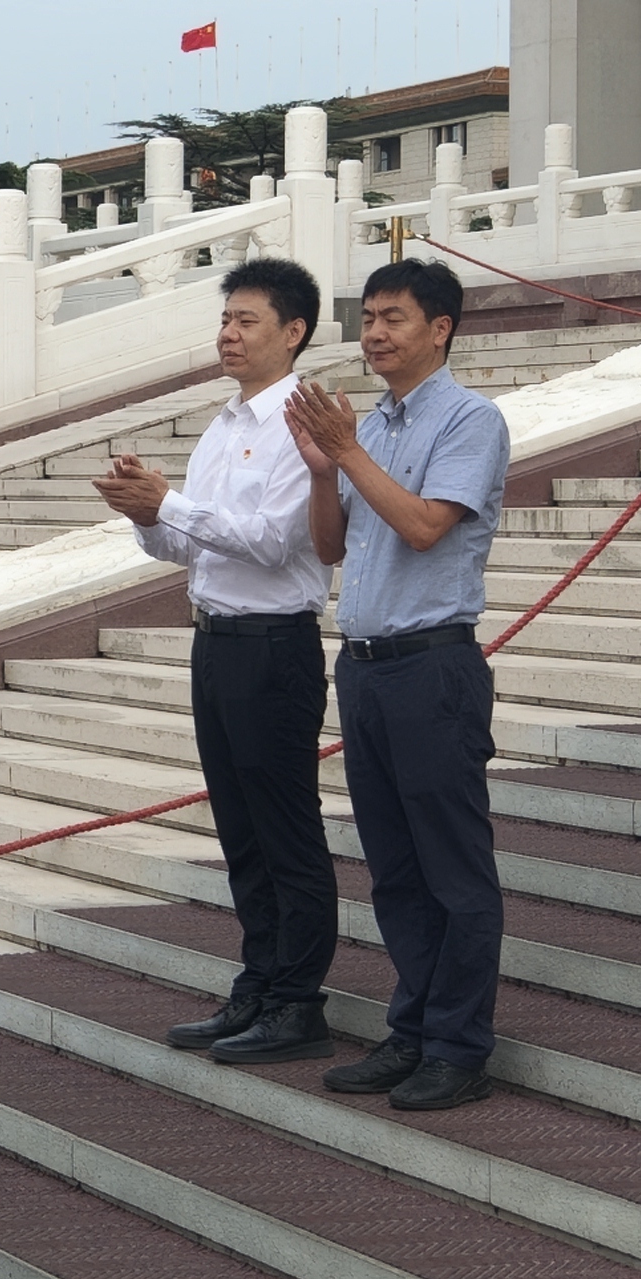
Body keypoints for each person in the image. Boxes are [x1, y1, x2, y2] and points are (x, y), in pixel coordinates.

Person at [95, 259, 337, 1061]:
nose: (228, 335)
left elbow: (274, 543)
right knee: (240, 828)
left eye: (246, 321)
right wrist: (145, 511)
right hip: (217, 641)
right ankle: (258, 984)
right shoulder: (225, 425)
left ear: (293, 332)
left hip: (275, 644)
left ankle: (297, 1001)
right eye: (225, 320)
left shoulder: (303, 427)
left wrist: (170, 502)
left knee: (285, 829)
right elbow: (186, 548)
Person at [289, 258, 513, 1115]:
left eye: (394, 318)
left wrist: (346, 451)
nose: (375, 334)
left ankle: (458, 1045)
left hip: (433, 666)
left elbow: (424, 527)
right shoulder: (372, 427)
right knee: (394, 867)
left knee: (452, 868)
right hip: (367, 667)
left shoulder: (470, 420)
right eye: (369, 319)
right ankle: (413, 1028)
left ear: (440, 329)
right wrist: (324, 469)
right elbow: (333, 547)